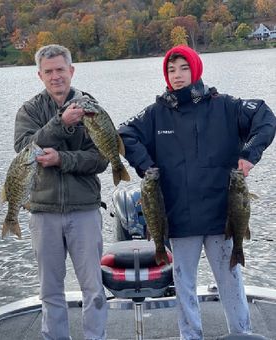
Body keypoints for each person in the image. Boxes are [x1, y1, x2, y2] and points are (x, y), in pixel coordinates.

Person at [118, 45, 276, 339]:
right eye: (171, 70)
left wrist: (250, 154)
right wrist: (147, 166)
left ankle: (241, 333)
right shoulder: (155, 114)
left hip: (223, 216)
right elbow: (124, 133)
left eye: (183, 68)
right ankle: (189, 335)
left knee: (230, 279)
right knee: (184, 284)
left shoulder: (226, 105)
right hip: (180, 217)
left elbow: (265, 116)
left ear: (196, 69)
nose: (177, 76)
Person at [14, 44, 108, 340]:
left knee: (93, 289)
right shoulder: (29, 110)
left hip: (84, 210)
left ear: (72, 71)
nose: (56, 77)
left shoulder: (91, 106)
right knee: (50, 290)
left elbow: (102, 158)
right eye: (49, 71)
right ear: (40, 75)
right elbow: (24, 151)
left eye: (60, 70)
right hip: (43, 212)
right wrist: (61, 123)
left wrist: (62, 159)